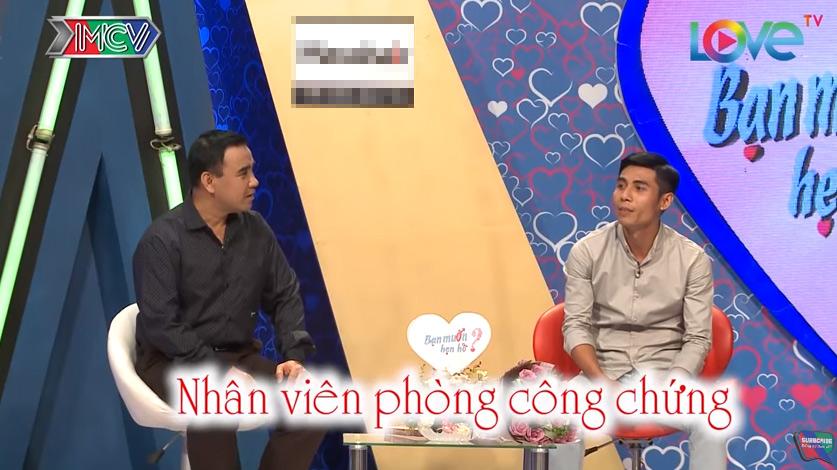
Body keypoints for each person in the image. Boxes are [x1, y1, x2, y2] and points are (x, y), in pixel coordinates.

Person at [133, 129, 324, 470]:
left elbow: (284, 293)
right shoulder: (162, 241)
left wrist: (293, 355)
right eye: (243, 173)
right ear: (209, 181)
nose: (255, 182)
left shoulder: (255, 229)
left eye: (253, 171)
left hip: (238, 356)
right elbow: (162, 325)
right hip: (172, 362)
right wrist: (218, 369)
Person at [562, 152, 724, 469]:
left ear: (664, 201)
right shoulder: (587, 251)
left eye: (639, 188)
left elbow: (697, 339)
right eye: (621, 185)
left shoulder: (692, 260)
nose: (624, 196)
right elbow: (575, 326)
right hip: (602, 373)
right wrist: (599, 381)